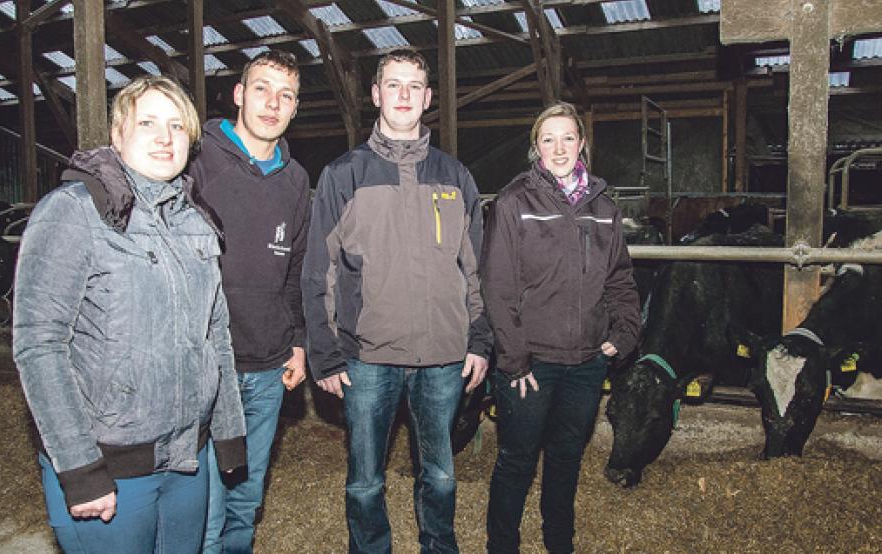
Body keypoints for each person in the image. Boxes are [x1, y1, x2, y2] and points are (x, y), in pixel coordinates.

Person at [12, 75, 246, 554]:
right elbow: (39, 345)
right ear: (117, 134)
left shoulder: (196, 221)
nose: (165, 137)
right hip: (110, 466)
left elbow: (215, 336)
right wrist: (80, 469)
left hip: (188, 461)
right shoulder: (74, 212)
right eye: (148, 123)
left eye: (178, 126)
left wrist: (227, 434)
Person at [301, 48, 492, 553]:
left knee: (442, 474)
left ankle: (439, 547)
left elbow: (476, 269)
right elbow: (317, 270)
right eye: (393, 84)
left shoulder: (457, 177)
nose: (403, 94)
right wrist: (324, 351)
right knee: (365, 479)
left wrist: (480, 340)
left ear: (428, 98)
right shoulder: (343, 175)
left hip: (444, 355)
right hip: (368, 357)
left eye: (414, 86)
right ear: (376, 94)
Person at [481, 101, 641, 554]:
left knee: (567, 460)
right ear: (536, 147)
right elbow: (498, 287)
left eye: (568, 137)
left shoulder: (604, 208)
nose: (559, 148)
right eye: (548, 139)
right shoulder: (514, 202)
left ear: (582, 144)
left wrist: (624, 334)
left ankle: (559, 545)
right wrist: (513, 363)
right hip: (531, 364)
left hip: (586, 363)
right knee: (516, 461)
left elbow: (620, 278)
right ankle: (502, 548)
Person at [188, 50, 309, 554]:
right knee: (206, 506)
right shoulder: (196, 159)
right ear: (239, 95)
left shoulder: (297, 180)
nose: (271, 103)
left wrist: (299, 343)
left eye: (285, 95)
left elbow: (297, 271)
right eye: (261, 89)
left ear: (295, 108)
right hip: (204, 362)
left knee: (245, 495)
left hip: (266, 368)